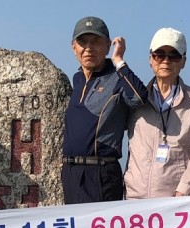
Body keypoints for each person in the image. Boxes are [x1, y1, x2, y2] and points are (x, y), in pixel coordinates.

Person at [62, 17, 148, 204]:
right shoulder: (77, 78)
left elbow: (139, 97)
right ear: (73, 47)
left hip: (101, 174)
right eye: (83, 42)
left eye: (95, 42)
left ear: (108, 46)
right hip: (71, 173)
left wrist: (119, 60)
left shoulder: (117, 77)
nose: (88, 48)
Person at [124, 28, 190, 198]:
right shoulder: (136, 99)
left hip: (174, 199)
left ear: (183, 61)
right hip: (134, 197)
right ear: (150, 59)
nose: (166, 61)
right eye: (159, 55)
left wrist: (184, 187)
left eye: (173, 56)